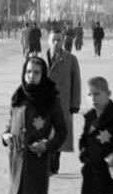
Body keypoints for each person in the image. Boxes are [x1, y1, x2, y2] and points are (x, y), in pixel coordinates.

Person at [0, 57, 69, 194]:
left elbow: (62, 132)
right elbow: (10, 122)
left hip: (37, 160)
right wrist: (5, 136)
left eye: (36, 73)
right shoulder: (19, 95)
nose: (31, 76)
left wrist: (46, 145)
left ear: (43, 75)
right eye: (28, 71)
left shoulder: (50, 99)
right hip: (17, 159)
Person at [45, 31, 81, 174]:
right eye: (53, 40)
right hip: (44, 104)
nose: (56, 43)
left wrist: (75, 104)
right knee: (44, 132)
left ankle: (54, 162)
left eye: (59, 40)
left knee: (59, 134)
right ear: (48, 41)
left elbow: (76, 82)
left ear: (63, 41)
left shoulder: (71, 59)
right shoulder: (41, 59)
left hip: (63, 103)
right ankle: (48, 162)